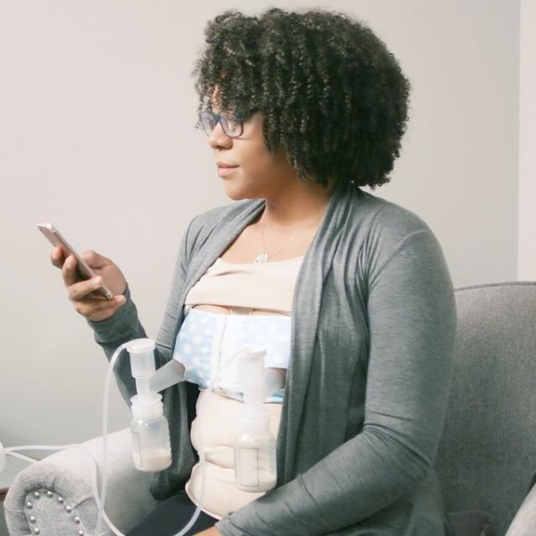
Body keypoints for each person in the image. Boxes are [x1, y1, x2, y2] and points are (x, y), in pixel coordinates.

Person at [50, 7, 457, 536]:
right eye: (210, 116)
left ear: (305, 115)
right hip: (204, 509)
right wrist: (114, 321)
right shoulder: (207, 233)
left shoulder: (393, 244)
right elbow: (166, 405)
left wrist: (237, 533)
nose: (215, 138)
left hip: (340, 525)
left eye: (235, 116)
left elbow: (397, 448)